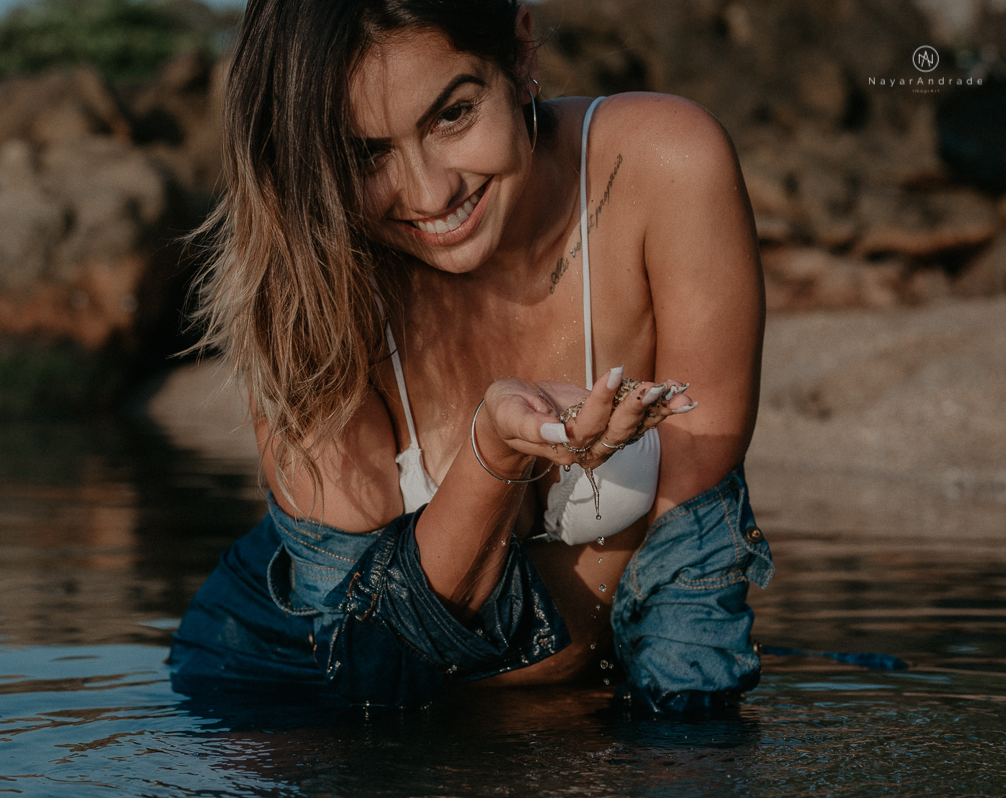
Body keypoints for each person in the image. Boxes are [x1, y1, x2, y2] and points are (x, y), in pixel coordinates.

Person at [170, 0, 773, 715]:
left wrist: (688, 742)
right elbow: (375, 653)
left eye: (451, 115)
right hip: (285, 689)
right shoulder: (306, 286)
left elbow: (691, 575)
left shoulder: (663, 166)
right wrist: (496, 458)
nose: (430, 194)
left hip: (526, 694)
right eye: (366, 153)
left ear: (520, 56)